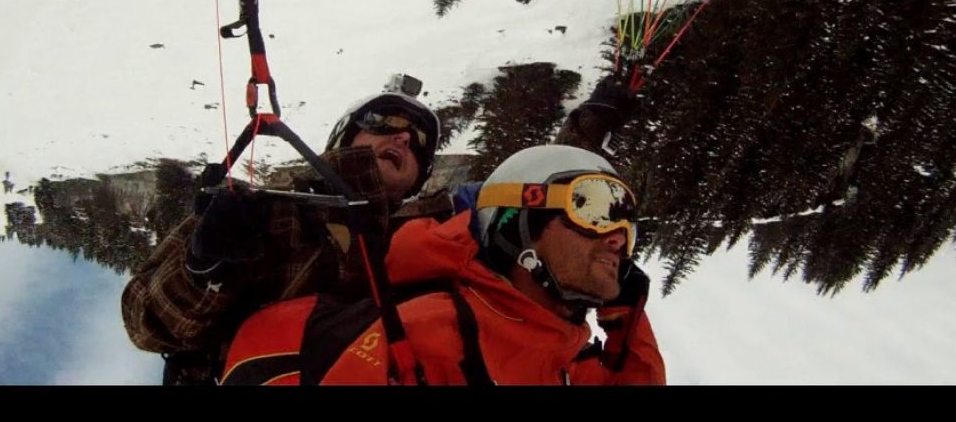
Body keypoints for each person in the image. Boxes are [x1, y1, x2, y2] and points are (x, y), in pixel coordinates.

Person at [122, 75, 638, 384]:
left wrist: (591, 123)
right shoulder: (265, 210)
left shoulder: (435, 223)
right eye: (382, 124)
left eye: (416, 144)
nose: (401, 141)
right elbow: (148, 323)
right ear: (344, 136)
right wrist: (205, 267)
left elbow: (527, 195)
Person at [220, 144, 664, 385]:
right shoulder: (431, 337)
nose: (618, 235)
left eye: (627, 222)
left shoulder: (566, 346)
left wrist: (629, 321)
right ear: (520, 225)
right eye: (597, 208)